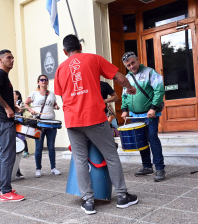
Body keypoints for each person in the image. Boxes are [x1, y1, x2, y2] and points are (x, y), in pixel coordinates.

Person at [54, 34, 138, 214]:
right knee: (111, 156)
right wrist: (130, 88)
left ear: (64, 51)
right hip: (95, 118)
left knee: (80, 160)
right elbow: (120, 78)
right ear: (80, 47)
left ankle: (88, 201)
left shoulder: (60, 69)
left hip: (73, 121)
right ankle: (122, 196)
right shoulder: (94, 58)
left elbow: (61, 96)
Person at [121, 51, 165, 182]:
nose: (131, 67)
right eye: (128, 65)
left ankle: (160, 168)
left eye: (133, 63)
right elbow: (125, 96)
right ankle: (147, 166)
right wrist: (124, 109)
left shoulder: (150, 72)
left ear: (138, 60)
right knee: (141, 140)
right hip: (135, 116)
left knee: (152, 137)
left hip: (150, 114)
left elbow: (159, 89)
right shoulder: (127, 78)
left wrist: (153, 108)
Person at [0, 49, 25, 202]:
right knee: (8, 155)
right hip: (3, 120)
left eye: (13, 57)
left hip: (3, 119)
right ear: (0, 60)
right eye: (8, 58)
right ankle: (6, 191)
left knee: (4, 154)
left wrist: (12, 106)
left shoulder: (4, 76)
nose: (12, 60)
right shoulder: (0, 73)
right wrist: (7, 108)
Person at [25, 75, 61, 178]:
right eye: (42, 80)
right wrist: (31, 110)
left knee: (51, 147)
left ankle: (53, 168)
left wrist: (56, 106)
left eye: (45, 80)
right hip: (39, 123)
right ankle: (38, 169)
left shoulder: (51, 94)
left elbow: (54, 104)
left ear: (47, 82)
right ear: (38, 82)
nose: (44, 81)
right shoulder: (34, 93)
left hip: (51, 123)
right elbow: (26, 103)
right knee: (39, 147)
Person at [14, 90, 29, 158]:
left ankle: (26, 151)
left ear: (17, 95)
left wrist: (15, 105)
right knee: (15, 137)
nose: (12, 96)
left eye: (14, 94)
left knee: (21, 136)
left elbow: (21, 110)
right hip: (13, 121)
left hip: (19, 121)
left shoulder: (21, 102)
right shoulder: (11, 102)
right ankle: (18, 151)